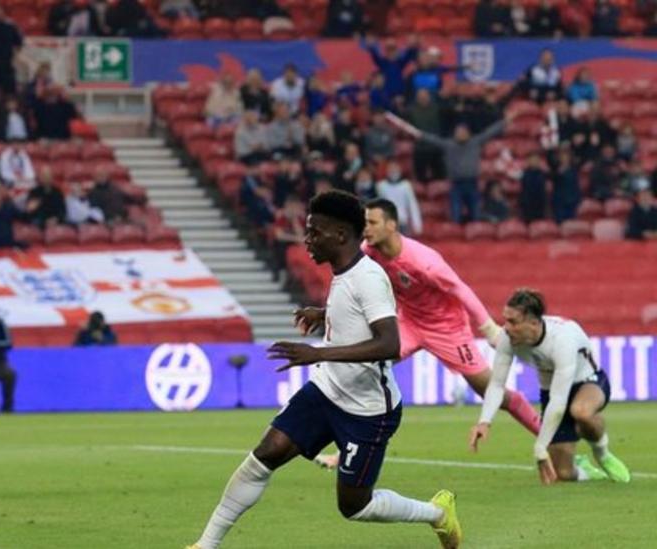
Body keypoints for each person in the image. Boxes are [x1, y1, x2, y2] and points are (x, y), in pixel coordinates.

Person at [185, 190, 462, 549]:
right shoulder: (344, 272)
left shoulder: (368, 277)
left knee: (355, 506)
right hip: (327, 391)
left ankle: (437, 513)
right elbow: (357, 314)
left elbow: (388, 344)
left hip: (368, 411)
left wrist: (318, 353)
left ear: (341, 235)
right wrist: (325, 315)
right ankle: (205, 545)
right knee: (265, 454)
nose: (307, 240)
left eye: (315, 232)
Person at [310, 199, 542, 471]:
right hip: (408, 323)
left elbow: (459, 289)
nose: (366, 228)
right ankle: (345, 452)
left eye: (372, 222)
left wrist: (488, 328)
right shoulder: (368, 252)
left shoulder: (423, 261)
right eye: (364, 223)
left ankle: (549, 434)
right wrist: (325, 313)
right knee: (360, 369)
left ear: (391, 225)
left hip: (447, 328)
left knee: (491, 391)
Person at [469, 288, 631, 484]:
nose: (506, 327)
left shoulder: (562, 339)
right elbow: (496, 384)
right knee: (563, 474)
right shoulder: (507, 338)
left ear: (533, 323)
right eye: (506, 320)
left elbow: (560, 400)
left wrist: (540, 447)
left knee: (581, 411)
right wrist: (484, 421)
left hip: (588, 381)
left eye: (513, 322)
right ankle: (587, 470)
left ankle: (602, 453)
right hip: (552, 391)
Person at [387, 111, 510, 224]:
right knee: (455, 215)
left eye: (463, 132)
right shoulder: (449, 145)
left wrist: (506, 121)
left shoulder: (475, 142)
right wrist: (417, 133)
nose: (460, 134)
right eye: (458, 132)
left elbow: (490, 132)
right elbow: (432, 139)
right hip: (456, 184)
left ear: (468, 133)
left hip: (472, 183)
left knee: (475, 216)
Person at [375, 162, 422, 235]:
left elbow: (412, 204)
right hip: (388, 223)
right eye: (391, 169)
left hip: (402, 222)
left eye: (395, 169)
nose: (393, 171)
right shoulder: (381, 186)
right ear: (387, 171)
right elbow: (379, 206)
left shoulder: (406, 185)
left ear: (400, 170)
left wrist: (417, 225)